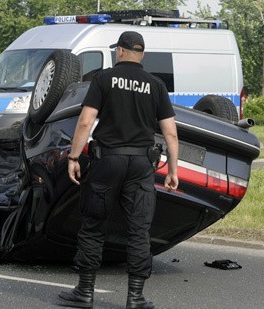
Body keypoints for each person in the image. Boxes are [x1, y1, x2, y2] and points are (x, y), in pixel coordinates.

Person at [58, 31, 179, 309]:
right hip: (140, 165)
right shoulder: (156, 85)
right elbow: (170, 134)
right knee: (139, 230)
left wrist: (73, 157)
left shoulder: (103, 79)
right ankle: (135, 297)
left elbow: (86, 122)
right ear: (142, 55)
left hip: (107, 160)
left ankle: (85, 293)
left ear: (120, 51)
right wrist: (172, 170)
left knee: (93, 226)